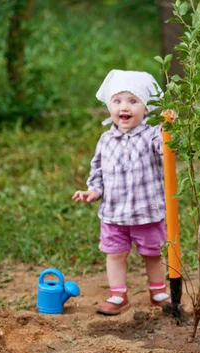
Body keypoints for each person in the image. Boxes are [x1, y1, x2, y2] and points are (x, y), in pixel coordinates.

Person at [72, 69, 171, 315]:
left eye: (133, 101)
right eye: (117, 101)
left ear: (146, 108)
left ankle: (158, 291)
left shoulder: (152, 135)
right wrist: (94, 190)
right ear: (109, 106)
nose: (124, 107)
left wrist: (170, 128)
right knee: (115, 254)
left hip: (146, 211)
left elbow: (168, 150)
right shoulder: (106, 139)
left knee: (153, 253)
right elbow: (98, 169)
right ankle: (118, 295)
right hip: (114, 213)